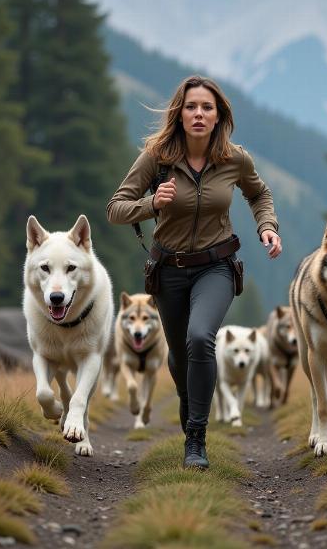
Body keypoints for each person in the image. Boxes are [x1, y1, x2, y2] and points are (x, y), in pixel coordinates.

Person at [106, 75, 281, 469]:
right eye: (191, 107)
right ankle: (191, 405)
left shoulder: (235, 158)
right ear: (179, 114)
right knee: (182, 359)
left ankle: (196, 440)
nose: (198, 114)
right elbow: (115, 208)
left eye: (207, 107)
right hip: (168, 271)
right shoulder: (157, 157)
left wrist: (266, 227)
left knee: (201, 337)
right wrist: (152, 203)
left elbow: (259, 194)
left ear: (219, 116)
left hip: (216, 267)